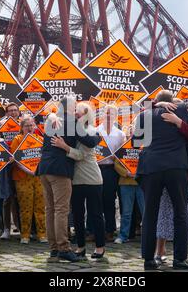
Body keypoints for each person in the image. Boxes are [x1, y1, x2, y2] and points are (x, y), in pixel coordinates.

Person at [134, 90, 188, 270]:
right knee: (180, 212)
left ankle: (148, 259)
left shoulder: (144, 114)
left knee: (150, 214)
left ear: (156, 101)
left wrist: (154, 109)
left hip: (151, 166)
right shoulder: (182, 110)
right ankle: (180, 259)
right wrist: (178, 123)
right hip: (176, 167)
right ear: (172, 102)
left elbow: (136, 142)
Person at [36, 95, 100, 263]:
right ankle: (63, 248)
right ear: (69, 108)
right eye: (74, 107)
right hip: (60, 170)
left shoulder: (52, 120)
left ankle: (54, 249)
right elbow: (91, 141)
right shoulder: (70, 121)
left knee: (50, 209)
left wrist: (52, 115)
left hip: (44, 169)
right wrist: (100, 135)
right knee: (61, 210)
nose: (75, 109)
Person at [50, 102, 106, 259]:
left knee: (95, 214)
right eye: (74, 113)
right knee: (78, 215)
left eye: (78, 113)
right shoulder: (72, 128)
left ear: (86, 115)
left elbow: (82, 155)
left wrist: (64, 147)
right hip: (75, 179)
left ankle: (100, 247)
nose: (75, 115)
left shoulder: (90, 131)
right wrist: (53, 115)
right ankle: (81, 247)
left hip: (91, 177)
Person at [10, 115, 47, 244]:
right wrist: (28, 170)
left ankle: (42, 233)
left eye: (31, 125)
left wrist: (36, 170)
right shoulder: (17, 139)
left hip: (38, 177)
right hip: (22, 177)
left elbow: (45, 158)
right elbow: (15, 159)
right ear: (22, 128)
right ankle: (25, 234)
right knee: (25, 207)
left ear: (35, 126)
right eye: (27, 126)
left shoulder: (41, 139)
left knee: (40, 206)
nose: (29, 128)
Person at [97, 104, 126, 242]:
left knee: (109, 200)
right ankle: (94, 230)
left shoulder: (120, 134)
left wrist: (116, 156)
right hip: (96, 168)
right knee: (95, 200)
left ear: (116, 116)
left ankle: (110, 230)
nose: (109, 116)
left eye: (112, 114)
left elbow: (123, 155)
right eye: (107, 113)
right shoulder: (95, 131)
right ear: (103, 114)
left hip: (111, 169)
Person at [113, 124, 144, 245]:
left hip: (141, 183)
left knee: (145, 211)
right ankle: (123, 235)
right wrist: (126, 173)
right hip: (125, 183)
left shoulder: (143, 147)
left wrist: (139, 173)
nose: (133, 134)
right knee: (126, 212)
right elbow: (116, 164)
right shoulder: (123, 148)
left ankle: (148, 235)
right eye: (131, 132)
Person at [0, 102, 21, 240]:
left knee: (19, 198)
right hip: (6, 165)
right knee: (7, 198)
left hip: (20, 165)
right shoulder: (1, 125)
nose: (13, 112)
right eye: (10, 111)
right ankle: (6, 228)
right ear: (7, 113)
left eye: (15, 110)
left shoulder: (23, 124)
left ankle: (20, 227)